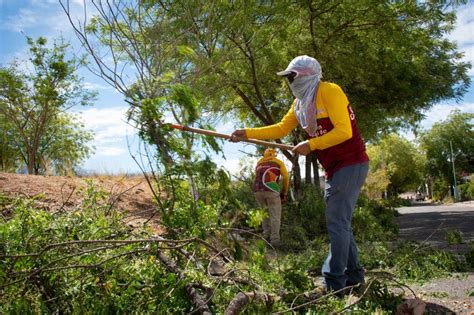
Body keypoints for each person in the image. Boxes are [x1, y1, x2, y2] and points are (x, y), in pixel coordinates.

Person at [230, 55, 369, 295]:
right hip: (334, 169)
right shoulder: (300, 105)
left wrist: (312, 145)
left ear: (305, 75)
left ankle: (333, 282)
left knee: (337, 221)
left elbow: (345, 131)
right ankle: (355, 278)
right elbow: (281, 128)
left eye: (291, 76)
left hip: (351, 163)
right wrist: (247, 132)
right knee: (340, 222)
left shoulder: (329, 91)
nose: (288, 82)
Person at [253, 148, 289, 248]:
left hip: (257, 191)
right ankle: (275, 242)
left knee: (264, 215)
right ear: (274, 154)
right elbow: (286, 177)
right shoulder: (278, 162)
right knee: (275, 216)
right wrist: (284, 192)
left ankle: (265, 238)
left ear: (265, 154)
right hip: (272, 191)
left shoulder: (259, 162)